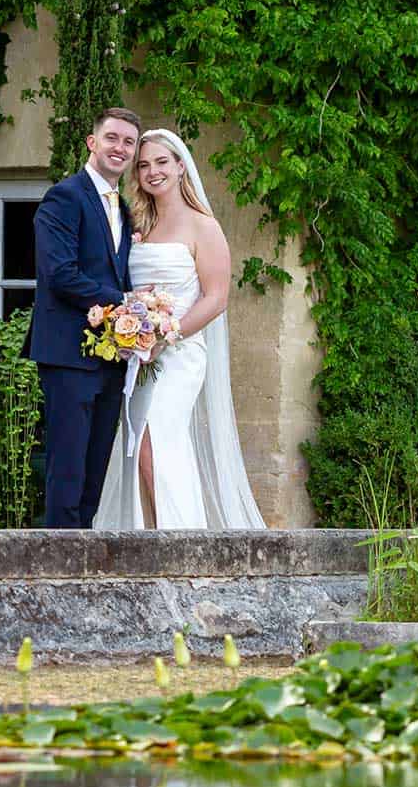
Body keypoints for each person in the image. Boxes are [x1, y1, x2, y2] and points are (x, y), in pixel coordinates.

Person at [91, 128, 267, 530]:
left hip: (180, 354)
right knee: (137, 448)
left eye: (162, 162)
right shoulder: (138, 226)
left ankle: (180, 541)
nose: (153, 171)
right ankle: (149, 538)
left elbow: (215, 297)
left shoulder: (204, 226)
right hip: (140, 356)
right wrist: (130, 326)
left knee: (157, 441)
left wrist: (165, 335)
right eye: (145, 164)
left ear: (180, 166)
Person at [25, 106, 138, 528]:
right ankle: (57, 569)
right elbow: (60, 273)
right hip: (68, 353)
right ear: (92, 142)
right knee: (67, 469)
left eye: (129, 142)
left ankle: (83, 566)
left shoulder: (122, 207)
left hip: (110, 355)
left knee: (94, 475)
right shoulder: (65, 196)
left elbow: (115, 266)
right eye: (112, 138)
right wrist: (125, 300)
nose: (120, 148)